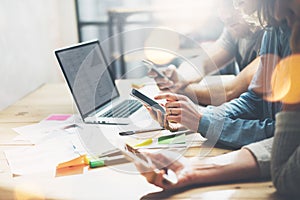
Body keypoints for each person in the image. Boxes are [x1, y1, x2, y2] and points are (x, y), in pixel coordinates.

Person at [137, 0, 300, 196]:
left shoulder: (275, 22)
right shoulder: (274, 26)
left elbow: (233, 91)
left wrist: (200, 118)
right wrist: (186, 99)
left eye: (236, 3)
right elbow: (253, 99)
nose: (225, 14)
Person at [150, 0, 264, 106]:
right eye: (220, 7)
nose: (227, 16)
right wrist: (178, 77)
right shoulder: (234, 29)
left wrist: (182, 91)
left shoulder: (270, 36)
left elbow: (231, 91)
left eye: (234, 4)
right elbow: (203, 63)